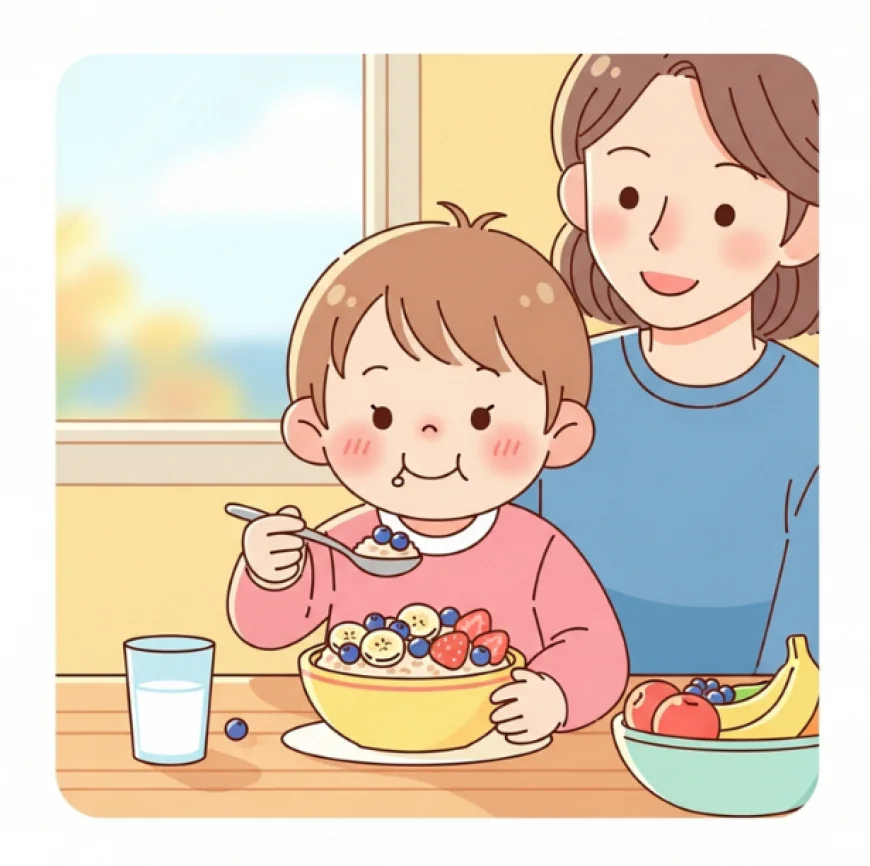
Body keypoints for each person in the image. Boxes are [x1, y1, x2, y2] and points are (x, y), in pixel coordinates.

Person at [227, 202, 628, 742]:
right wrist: (272, 572)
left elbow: (595, 647)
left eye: (482, 416)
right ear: (312, 429)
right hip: (364, 748)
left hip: (499, 757)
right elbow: (267, 631)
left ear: (558, 435)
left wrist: (555, 696)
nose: (431, 438)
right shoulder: (342, 546)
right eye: (383, 415)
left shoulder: (537, 553)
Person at [516, 54, 819, 674]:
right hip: (553, 719)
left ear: (801, 230)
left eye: (724, 211)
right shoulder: (555, 386)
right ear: (580, 194)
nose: (663, 235)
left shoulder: (820, 414)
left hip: (746, 737)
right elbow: (498, 577)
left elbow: (809, 653)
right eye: (629, 193)